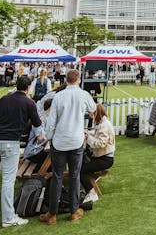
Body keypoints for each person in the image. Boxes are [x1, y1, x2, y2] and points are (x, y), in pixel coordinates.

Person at [0, 75, 42, 227]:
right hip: (10, 142)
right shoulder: (29, 102)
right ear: (28, 88)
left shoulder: (4, 98)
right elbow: (37, 123)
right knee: (8, 180)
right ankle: (8, 217)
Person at [40, 69, 96, 225]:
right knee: (74, 175)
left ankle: (52, 214)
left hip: (60, 140)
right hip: (76, 141)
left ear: (66, 80)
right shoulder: (83, 94)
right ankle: (73, 210)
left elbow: (51, 121)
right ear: (78, 79)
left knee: (57, 177)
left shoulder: (58, 96)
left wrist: (49, 137)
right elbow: (94, 109)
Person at [81, 104, 115, 203]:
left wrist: (88, 137)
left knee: (80, 170)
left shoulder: (104, 125)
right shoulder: (103, 122)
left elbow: (101, 143)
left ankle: (92, 193)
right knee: (82, 164)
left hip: (105, 159)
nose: (91, 115)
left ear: (96, 113)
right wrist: (88, 133)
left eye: (92, 113)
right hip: (103, 157)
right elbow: (97, 134)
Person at [23, 99, 52, 163]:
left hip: (37, 150)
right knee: (56, 155)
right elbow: (40, 138)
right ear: (51, 107)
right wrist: (51, 134)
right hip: (33, 153)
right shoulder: (41, 119)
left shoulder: (47, 117)